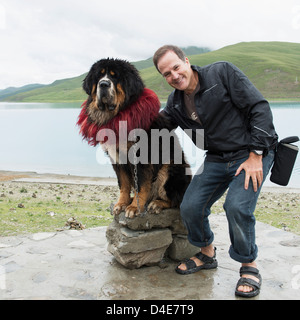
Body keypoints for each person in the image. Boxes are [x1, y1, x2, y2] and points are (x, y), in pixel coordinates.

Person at [153, 45, 278, 298]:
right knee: (190, 207)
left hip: (252, 152)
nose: (174, 76)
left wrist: (256, 155)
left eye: (176, 67)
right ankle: (207, 254)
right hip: (217, 158)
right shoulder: (175, 102)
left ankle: (248, 265)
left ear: (186, 61)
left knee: (237, 207)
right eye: (166, 74)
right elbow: (155, 125)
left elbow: (260, 108)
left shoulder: (222, 73)